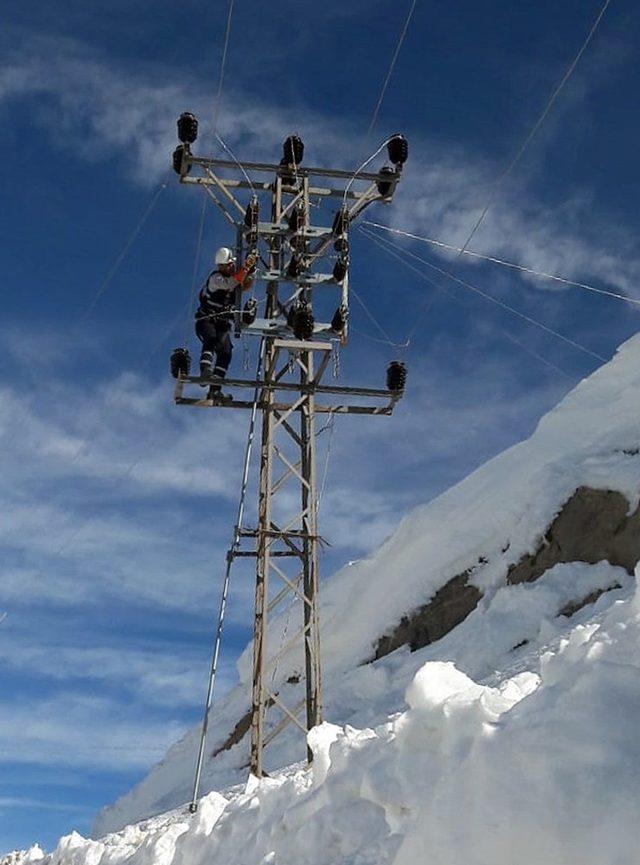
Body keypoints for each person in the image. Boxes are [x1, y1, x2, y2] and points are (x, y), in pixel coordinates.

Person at [195, 247, 256, 400]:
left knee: (226, 353)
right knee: (211, 339)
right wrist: (246, 267)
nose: (231, 267)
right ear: (222, 266)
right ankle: (205, 370)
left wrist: (251, 271)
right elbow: (231, 283)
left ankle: (215, 390)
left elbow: (244, 284)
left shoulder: (233, 280)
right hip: (207, 320)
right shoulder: (216, 279)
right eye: (228, 265)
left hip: (221, 324)